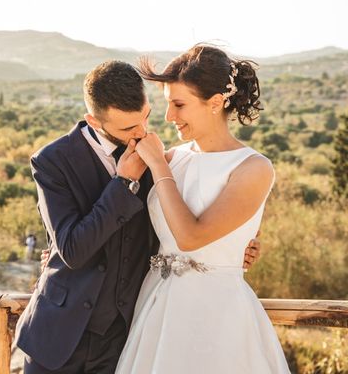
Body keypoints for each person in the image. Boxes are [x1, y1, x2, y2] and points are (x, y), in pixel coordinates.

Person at [14, 60, 260, 373]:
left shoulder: (159, 158)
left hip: (122, 338)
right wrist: (122, 183)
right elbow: (73, 250)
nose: (142, 132)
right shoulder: (52, 161)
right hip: (57, 333)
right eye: (129, 128)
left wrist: (237, 246)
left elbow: (180, 224)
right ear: (94, 119)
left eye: (145, 117)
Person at [115, 44, 289, 373]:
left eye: (179, 104)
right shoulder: (173, 159)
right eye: (167, 105)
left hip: (215, 315)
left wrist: (157, 166)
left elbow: (190, 238)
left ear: (215, 102)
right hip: (157, 309)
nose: (169, 118)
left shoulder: (253, 168)